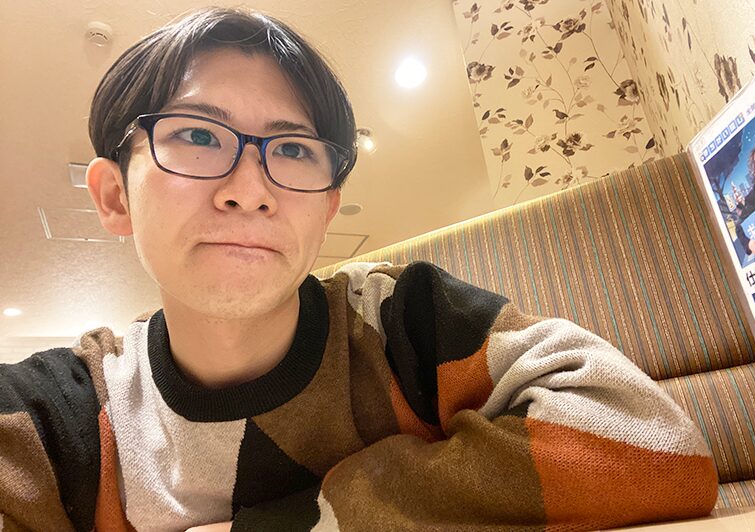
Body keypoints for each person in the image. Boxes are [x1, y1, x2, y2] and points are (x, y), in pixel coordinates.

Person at [0, 7, 718, 531]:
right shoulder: (58, 419)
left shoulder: (405, 323)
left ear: (326, 208)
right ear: (114, 196)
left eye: (291, 150)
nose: (250, 188)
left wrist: (310, 520)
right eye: (196, 134)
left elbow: (651, 441)